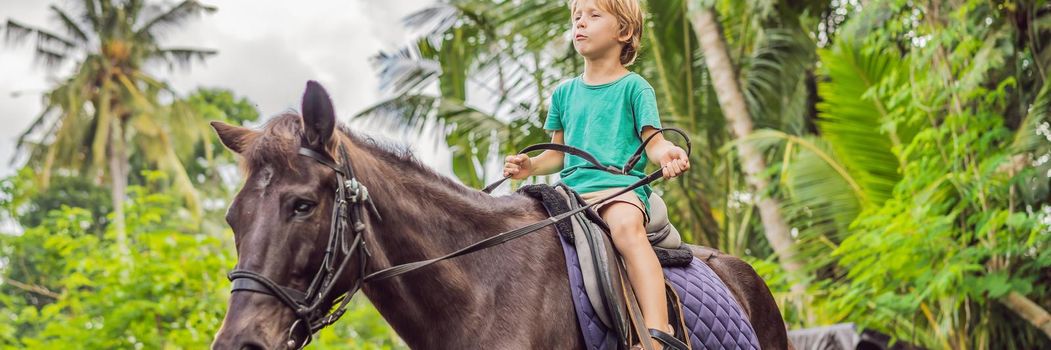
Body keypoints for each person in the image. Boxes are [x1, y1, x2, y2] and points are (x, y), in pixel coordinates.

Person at [502, 0, 690, 348]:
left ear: (625, 31)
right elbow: (555, 156)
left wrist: (669, 155)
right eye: (576, 17)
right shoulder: (564, 93)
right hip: (569, 194)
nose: (580, 24)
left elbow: (654, 144)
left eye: (593, 16)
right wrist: (530, 167)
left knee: (626, 230)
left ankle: (658, 333)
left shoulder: (635, 88)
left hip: (618, 190)